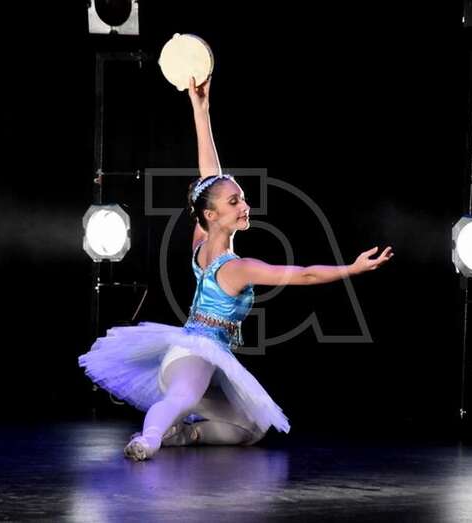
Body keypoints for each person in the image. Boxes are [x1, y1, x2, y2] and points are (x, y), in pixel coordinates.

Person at [78, 75, 394, 461]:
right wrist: (352, 269)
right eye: (234, 202)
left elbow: (210, 177)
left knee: (252, 428)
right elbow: (306, 274)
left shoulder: (201, 241)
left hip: (199, 355)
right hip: (192, 354)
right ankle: (150, 439)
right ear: (212, 215)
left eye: (241, 197)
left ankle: (184, 434)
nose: (244, 205)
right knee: (183, 396)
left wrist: (201, 108)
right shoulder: (238, 268)